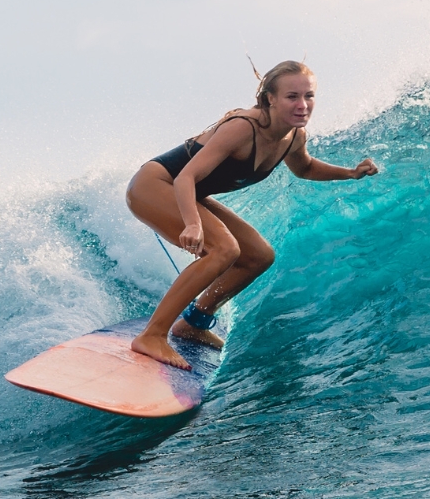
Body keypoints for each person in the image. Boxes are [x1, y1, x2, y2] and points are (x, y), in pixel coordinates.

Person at [125, 61, 378, 369]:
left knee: (258, 255)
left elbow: (306, 168)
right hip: (155, 185)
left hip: (187, 192)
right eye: (292, 96)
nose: (302, 105)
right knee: (224, 249)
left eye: (308, 96)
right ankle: (152, 335)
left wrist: (350, 173)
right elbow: (185, 177)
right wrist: (193, 223)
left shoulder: (294, 137)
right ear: (270, 98)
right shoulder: (243, 128)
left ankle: (194, 321)